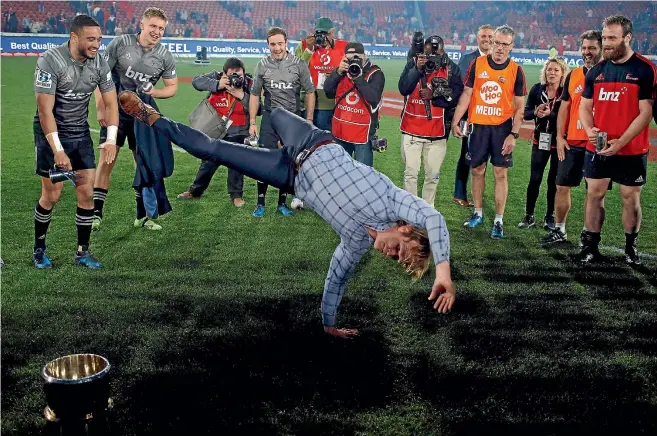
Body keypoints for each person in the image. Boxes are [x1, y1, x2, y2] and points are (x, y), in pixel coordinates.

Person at [118, 91, 456, 338]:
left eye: (395, 259)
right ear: (406, 229)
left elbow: (336, 279)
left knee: (212, 150)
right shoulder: (391, 201)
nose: (390, 253)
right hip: (312, 139)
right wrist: (443, 271)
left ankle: (152, 116)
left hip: (288, 173)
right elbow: (435, 218)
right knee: (273, 111)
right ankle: (256, 133)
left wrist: (329, 325)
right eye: (399, 249)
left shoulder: (356, 244)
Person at [32, 14, 119, 269]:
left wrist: (112, 139)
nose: (96, 45)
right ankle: (39, 250)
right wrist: (58, 150)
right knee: (52, 195)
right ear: (74, 37)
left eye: (99, 39)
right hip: (51, 134)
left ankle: (82, 252)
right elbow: (45, 111)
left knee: (86, 193)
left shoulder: (100, 62)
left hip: (80, 133)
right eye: (91, 39)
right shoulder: (51, 60)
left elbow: (111, 102)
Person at [578, 15, 656, 265]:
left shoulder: (644, 69)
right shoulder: (597, 71)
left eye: (612, 38)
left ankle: (631, 248)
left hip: (631, 149)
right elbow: (584, 106)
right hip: (598, 147)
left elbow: (646, 112)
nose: (607, 43)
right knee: (594, 194)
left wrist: (621, 142)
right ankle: (590, 247)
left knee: (630, 198)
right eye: (605, 38)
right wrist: (589, 128)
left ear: (627, 37)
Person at [92, 7, 178, 231]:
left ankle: (145, 215)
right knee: (107, 159)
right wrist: (101, 107)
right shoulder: (122, 43)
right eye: (153, 26)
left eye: (161, 28)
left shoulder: (164, 56)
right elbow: (100, 74)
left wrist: (153, 94)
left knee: (143, 164)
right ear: (142, 25)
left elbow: (172, 88)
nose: (157, 31)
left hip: (141, 115)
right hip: (115, 111)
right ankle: (95, 214)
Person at [451, 25, 527, 239]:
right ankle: (478, 212)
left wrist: (514, 134)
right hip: (479, 127)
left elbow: (520, 107)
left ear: (511, 46)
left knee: (500, 173)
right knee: (477, 170)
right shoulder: (477, 64)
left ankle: (499, 220)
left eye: (505, 44)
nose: (500, 48)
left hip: (502, 129)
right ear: (491, 42)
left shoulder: (516, 70)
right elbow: (467, 93)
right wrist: (456, 120)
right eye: (497, 42)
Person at [540, 30, 603, 246]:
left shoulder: (610, 73)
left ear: (601, 49)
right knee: (561, 186)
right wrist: (559, 136)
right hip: (572, 142)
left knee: (593, 192)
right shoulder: (574, 75)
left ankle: (588, 233)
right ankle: (560, 230)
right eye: (584, 48)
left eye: (592, 48)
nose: (587, 52)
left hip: (596, 145)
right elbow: (565, 107)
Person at [249, 26, 316, 218]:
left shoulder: (299, 65)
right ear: (267, 45)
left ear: (287, 43)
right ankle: (260, 203)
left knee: (288, 162)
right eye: (272, 44)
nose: (276, 48)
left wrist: (309, 119)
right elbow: (254, 94)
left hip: (292, 120)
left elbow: (310, 91)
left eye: (280, 43)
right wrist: (253, 122)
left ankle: (282, 203)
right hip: (270, 119)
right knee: (264, 160)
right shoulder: (262, 65)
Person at [177, 58, 254, 207]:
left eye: (239, 73)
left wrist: (242, 96)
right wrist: (217, 84)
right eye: (232, 74)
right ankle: (195, 191)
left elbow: (258, 109)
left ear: (244, 72)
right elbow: (196, 82)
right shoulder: (217, 77)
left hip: (239, 130)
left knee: (237, 162)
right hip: (216, 129)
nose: (235, 78)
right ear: (224, 73)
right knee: (208, 162)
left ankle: (236, 195)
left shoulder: (249, 84)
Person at [398, 35, 463, 207]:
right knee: (410, 173)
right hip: (411, 128)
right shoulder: (413, 63)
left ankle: (427, 211)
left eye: (437, 52)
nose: (433, 56)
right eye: (429, 52)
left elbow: (456, 96)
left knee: (432, 175)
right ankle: (410, 211)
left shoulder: (451, 69)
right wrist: (417, 69)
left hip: (437, 132)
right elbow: (403, 88)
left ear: (443, 51)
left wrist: (434, 95)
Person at [518, 57, 569, 230]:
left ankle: (549, 216)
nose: (552, 73)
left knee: (553, 181)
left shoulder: (565, 92)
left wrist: (551, 115)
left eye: (556, 70)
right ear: (545, 72)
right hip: (540, 140)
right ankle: (529, 215)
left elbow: (568, 117)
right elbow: (525, 113)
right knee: (534, 179)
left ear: (562, 73)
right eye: (549, 69)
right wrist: (536, 112)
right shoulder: (537, 89)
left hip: (559, 142)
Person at [323, 42, 385, 167]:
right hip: (340, 132)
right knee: (338, 172)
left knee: (363, 176)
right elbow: (328, 91)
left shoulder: (375, 73)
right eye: (349, 58)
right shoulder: (342, 71)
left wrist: (358, 78)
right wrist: (338, 72)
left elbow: (373, 98)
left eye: (356, 57)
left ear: (364, 56)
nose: (353, 62)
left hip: (362, 135)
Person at [454, 24, 494, 207]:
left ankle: (477, 194)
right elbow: (463, 89)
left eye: (489, 36)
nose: (486, 39)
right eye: (483, 36)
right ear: (477, 39)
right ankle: (460, 193)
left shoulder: (499, 60)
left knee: (485, 156)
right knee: (466, 155)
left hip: (492, 117)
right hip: (470, 117)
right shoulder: (468, 59)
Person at [295, 16, 348, 131]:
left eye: (325, 33)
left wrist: (336, 73)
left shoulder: (344, 47)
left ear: (333, 32)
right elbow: (296, 71)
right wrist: (309, 50)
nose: (321, 37)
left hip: (335, 103)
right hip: (308, 104)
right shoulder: (304, 45)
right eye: (318, 33)